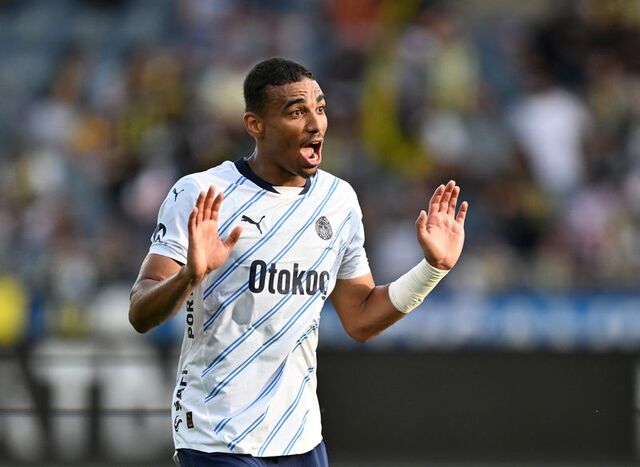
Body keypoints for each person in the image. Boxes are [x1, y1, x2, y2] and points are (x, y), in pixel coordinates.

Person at [129, 57, 468, 466]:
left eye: (320, 109)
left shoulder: (338, 201)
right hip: (215, 435)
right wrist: (190, 275)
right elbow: (140, 312)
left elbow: (361, 318)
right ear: (255, 125)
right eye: (296, 112)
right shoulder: (202, 194)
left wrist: (433, 269)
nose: (315, 124)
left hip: (300, 437)